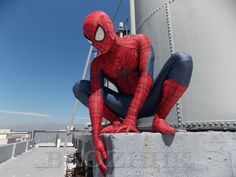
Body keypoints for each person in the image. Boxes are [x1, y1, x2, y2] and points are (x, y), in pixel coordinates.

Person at [73, 11, 193, 176]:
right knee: (79, 87)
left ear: (109, 28)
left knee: (183, 60)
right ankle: (115, 122)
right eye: (91, 40)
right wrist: (96, 137)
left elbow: (146, 75)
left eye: (98, 35)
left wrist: (131, 119)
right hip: (123, 105)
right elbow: (95, 96)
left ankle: (159, 118)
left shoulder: (139, 41)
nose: (97, 43)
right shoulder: (98, 63)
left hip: (150, 99)